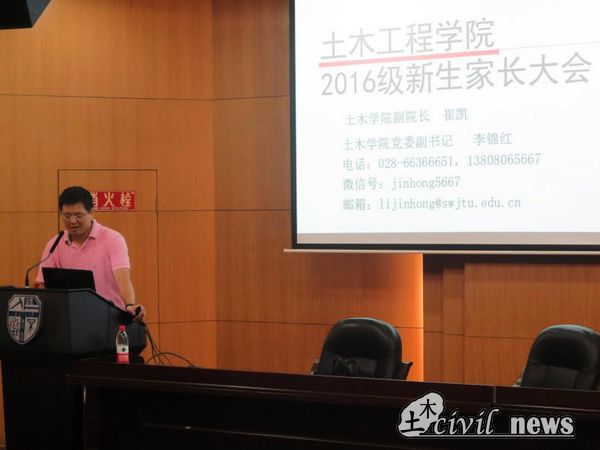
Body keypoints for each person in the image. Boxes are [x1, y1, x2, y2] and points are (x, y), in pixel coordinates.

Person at [35, 186, 145, 321]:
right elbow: (42, 285)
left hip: (109, 318)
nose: (72, 221)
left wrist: (130, 304)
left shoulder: (112, 239)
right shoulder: (54, 244)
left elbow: (123, 278)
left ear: (91, 212)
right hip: (69, 319)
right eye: (67, 216)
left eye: (78, 215)